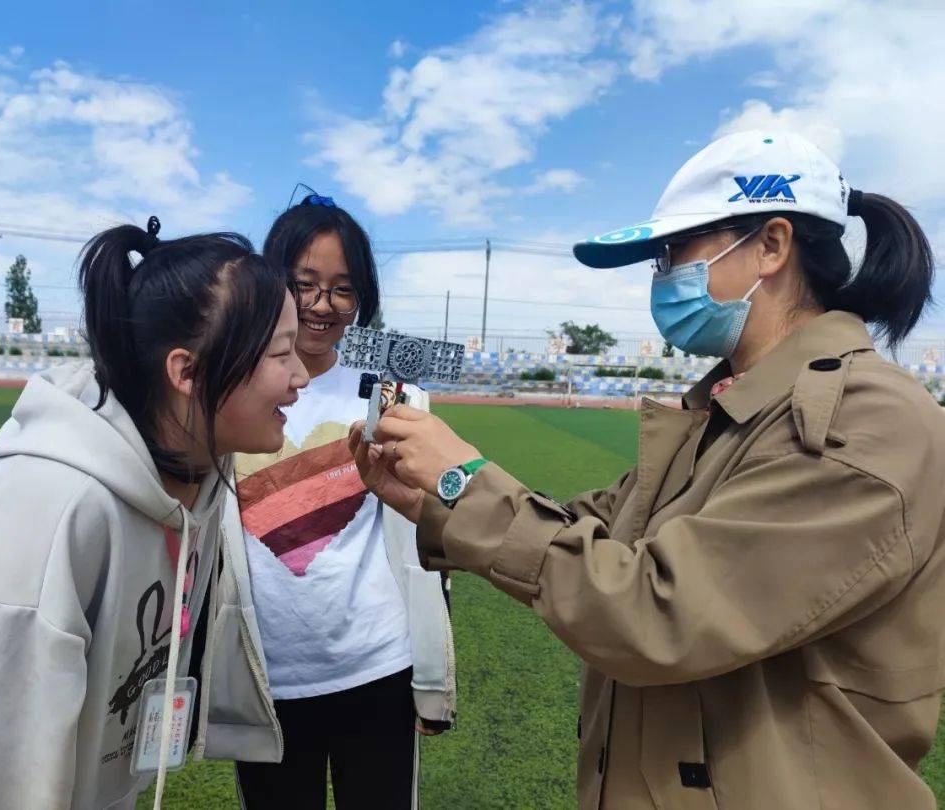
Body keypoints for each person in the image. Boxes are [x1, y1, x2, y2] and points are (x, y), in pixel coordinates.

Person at [351, 131, 945, 809]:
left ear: (772, 246)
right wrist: (432, 500)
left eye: (675, 251)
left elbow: (656, 612)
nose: (661, 277)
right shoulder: (725, 410)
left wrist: (464, 479)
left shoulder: (865, 425)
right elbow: (593, 529)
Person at [0, 218, 308, 810]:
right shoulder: (53, 508)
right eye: (282, 353)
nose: (302, 375)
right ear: (187, 372)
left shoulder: (197, 478)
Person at [204, 190, 457, 810]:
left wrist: (431, 679)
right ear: (270, 284)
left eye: (343, 288)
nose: (322, 305)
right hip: (265, 677)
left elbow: (431, 537)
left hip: (376, 667)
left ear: (362, 297)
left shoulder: (390, 393)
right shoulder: (226, 388)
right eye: (304, 283)